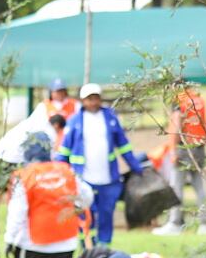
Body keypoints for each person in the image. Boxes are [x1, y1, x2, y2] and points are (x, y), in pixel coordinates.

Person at [3, 135, 91, 258]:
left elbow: (17, 212)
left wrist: (10, 240)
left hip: (34, 244)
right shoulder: (66, 170)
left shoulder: (24, 175)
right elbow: (86, 195)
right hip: (65, 242)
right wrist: (75, 210)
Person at [59, 83, 149, 245]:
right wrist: (58, 172)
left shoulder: (110, 119)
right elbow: (64, 152)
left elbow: (124, 146)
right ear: (83, 100)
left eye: (96, 98)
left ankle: (104, 250)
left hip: (108, 179)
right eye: (89, 99)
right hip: (83, 180)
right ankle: (87, 248)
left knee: (107, 214)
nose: (93, 102)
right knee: (86, 215)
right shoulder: (75, 122)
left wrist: (135, 166)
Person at [157, 82, 206, 236]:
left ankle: (175, 223)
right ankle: (204, 224)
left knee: (177, 186)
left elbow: (175, 124)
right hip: (199, 147)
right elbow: (204, 124)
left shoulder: (180, 100)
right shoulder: (197, 99)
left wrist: (173, 150)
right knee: (200, 187)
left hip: (184, 148)